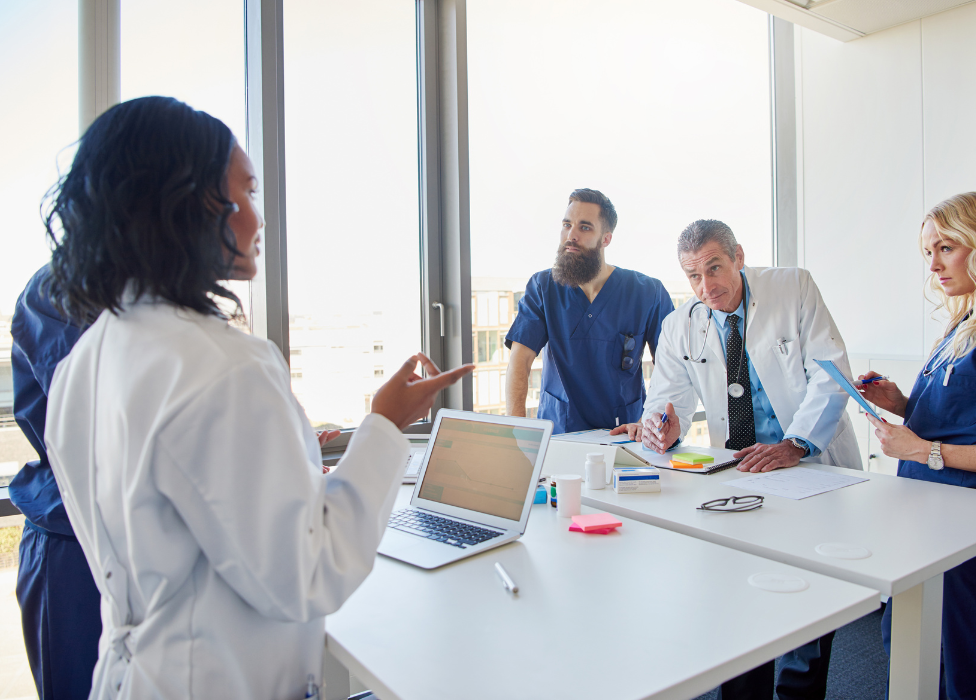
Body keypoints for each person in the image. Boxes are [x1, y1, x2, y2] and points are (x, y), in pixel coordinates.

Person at [40, 96, 472, 699]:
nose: (255, 217)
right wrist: (387, 424)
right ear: (182, 205)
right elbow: (309, 572)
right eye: (242, 194)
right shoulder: (223, 367)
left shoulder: (85, 362)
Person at [611, 219, 862, 700]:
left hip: (811, 464)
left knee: (811, 595)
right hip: (744, 473)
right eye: (692, 276)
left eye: (714, 268)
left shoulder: (793, 288)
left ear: (738, 257)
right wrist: (661, 427)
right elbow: (668, 399)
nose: (706, 287)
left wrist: (795, 444)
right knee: (743, 593)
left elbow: (831, 375)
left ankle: (797, 694)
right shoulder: (680, 323)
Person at [863, 191, 976, 700]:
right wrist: (898, 401)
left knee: (969, 667)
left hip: (973, 534)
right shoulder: (967, 322)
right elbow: (962, 416)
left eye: (947, 248)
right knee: (914, 652)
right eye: (928, 253)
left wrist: (923, 450)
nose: (934, 266)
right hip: (931, 521)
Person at [504, 188, 674, 433]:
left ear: (606, 239)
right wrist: (517, 432)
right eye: (566, 225)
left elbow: (670, 369)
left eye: (584, 227)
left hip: (627, 434)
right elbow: (520, 362)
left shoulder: (648, 292)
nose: (570, 235)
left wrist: (652, 421)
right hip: (559, 432)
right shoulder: (543, 287)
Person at [10, 265, 100, 700]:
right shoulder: (62, 289)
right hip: (74, 548)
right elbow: (100, 419)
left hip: (147, 540)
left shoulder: (168, 299)